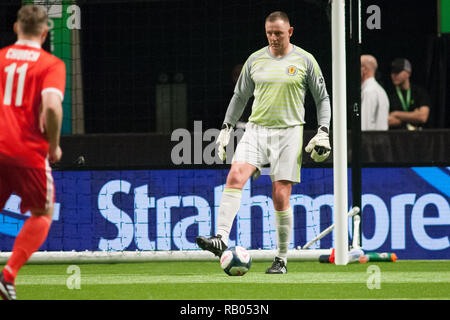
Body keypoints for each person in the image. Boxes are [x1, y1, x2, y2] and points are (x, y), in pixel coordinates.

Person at [196, 11, 331, 274]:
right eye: (269, 33)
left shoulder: (305, 60)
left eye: (278, 33)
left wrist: (323, 131)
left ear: (290, 32)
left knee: (280, 195)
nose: (273, 38)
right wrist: (226, 128)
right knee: (235, 175)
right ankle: (221, 238)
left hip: (290, 131)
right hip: (257, 130)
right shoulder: (255, 60)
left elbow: (322, 98)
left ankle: (281, 258)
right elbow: (239, 97)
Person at [0, 5, 65, 300]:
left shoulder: (0, 59)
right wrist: (53, 145)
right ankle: (9, 275)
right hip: (27, 153)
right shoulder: (51, 64)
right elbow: (52, 106)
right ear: (45, 33)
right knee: (42, 212)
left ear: (16, 28)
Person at [388, 58, 431, 130]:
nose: (394, 75)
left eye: (397, 72)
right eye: (392, 72)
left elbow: (422, 117)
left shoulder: (419, 92)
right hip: (396, 137)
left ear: (408, 73)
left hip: (418, 138)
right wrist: (413, 117)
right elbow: (387, 121)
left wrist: (396, 114)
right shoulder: (389, 94)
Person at [360, 54, 389, 131]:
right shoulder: (380, 90)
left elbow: (364, 125)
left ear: (364, 69)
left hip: (370, 141)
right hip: (381, 140)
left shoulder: (369, 91)